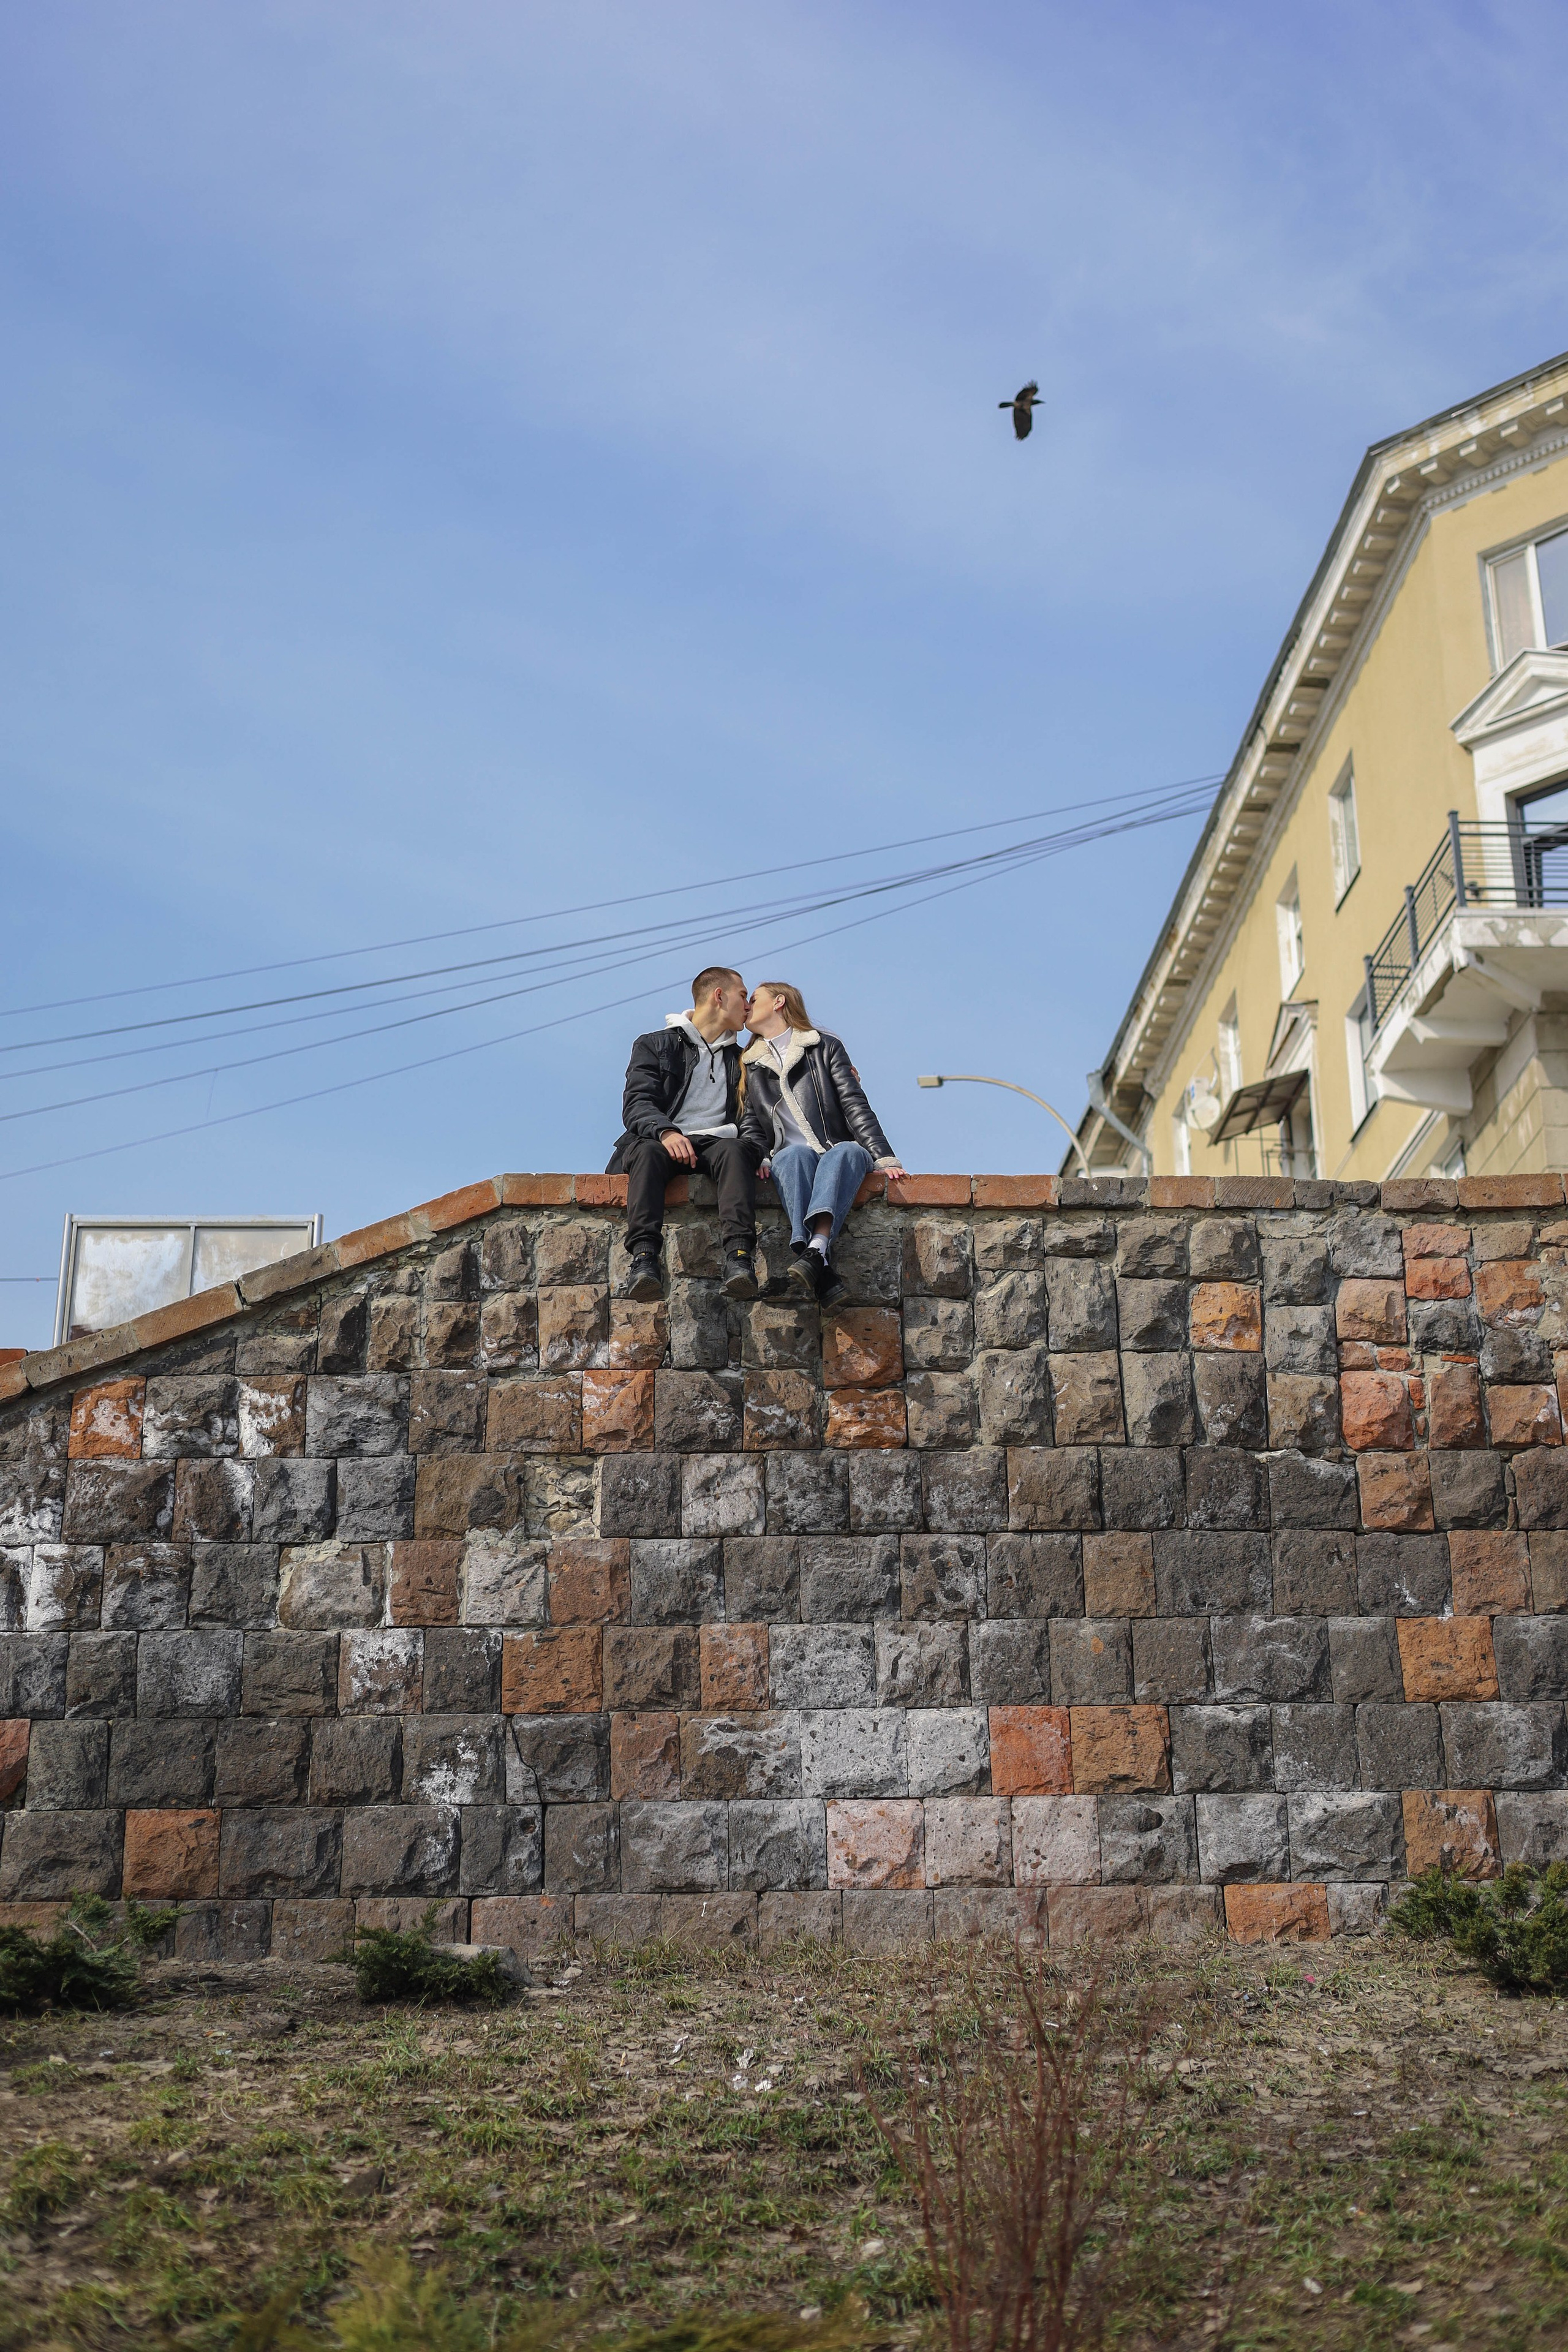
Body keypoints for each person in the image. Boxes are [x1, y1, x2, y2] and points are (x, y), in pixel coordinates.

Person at [739, 981, 904, 1305]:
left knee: (847, 1150)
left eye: (754, 998)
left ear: (779, 1002)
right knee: (793, 1154)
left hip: (835, 1151)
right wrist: (757, 1156)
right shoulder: (750, 1063)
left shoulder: (824, 1047)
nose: (747, 1005)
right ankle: (818, 1259)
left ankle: (814, 1250)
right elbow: (751, 1121)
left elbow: (854, 1104)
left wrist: (885, 1158)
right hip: (789, 1157)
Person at [608, 967, 760, 1302]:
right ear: (718, 996)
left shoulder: (745, 1060)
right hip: (660, 1140)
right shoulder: (654, 1044)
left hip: (717, 1145)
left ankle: (739, 1259)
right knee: (646, 1153)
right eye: (742, 995)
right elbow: (638, 1103)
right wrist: (665, 1132)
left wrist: (760, 1153)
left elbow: (752, 1117)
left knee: (736, 1151)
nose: (748, 1005)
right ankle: (645, 1261)